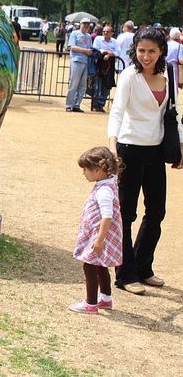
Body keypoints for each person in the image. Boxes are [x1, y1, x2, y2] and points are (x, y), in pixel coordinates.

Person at [108, 27, 183, 295]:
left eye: (152, 51)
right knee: (126, 214)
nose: (146, 56)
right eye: (141, 50)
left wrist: (180, 146)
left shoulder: (170, 73)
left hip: (156, 150)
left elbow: (173, 111)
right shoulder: (129, 75)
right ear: (134, 50)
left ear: (162, 50)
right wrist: (113, 148)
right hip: (130, 149)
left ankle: (142, 266)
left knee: (156, 212)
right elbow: (116, 113)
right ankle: (125, 274)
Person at [69, 146, 123, 314]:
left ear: (98, 170)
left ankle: (90, 304)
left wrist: (99, 240)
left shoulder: (104, 191)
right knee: (100, 266)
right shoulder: (108, 184)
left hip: (99, 236)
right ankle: (106, 299)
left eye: (86, 169)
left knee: (90, 267)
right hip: (100, 235)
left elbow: (107, 216)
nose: (84, 173)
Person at [66, 18, 93, 112]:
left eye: (87, 24)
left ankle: (77, 104)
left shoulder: (89, 36)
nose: (86, 25)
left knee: (82, 86)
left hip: (85, 61)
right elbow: (72, 47)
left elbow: (90, 48)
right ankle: (69, 104)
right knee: (74, 84)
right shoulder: (74, 33)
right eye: (84, 24)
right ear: (80, 24)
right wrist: (86, 51)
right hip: (76, 60)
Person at [92, 26, 120, 112]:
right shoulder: (98, 39)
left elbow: (118, 52)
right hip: (100, 64)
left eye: (107, 32)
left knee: (107, 85)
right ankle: (96, 104)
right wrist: (107, 52)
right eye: (104, 31)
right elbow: (96, 49)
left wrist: (110, 54)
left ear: (112, 33)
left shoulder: (115, 42)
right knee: (98, 85)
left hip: (110, 65)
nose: (105, 33)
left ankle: (101, 104)